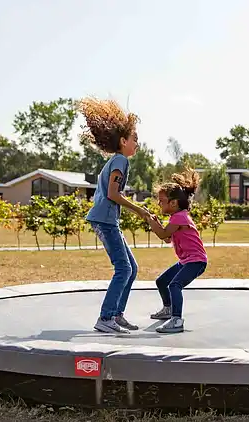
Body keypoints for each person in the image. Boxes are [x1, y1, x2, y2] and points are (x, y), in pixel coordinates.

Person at [79, 97, 151, 334]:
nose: (137, 144)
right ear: (123, 141)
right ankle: (106, 317)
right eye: (135, 139)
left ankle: (117, 314)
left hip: (107, 219)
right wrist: (140, 210)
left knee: (132, 267)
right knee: (123, 268)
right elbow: (113, 193)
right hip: (105, 220)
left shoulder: (116, 160)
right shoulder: (120, 160)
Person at [144, 168, 208, 333]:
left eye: (161, 201)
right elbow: (167, 238)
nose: (158, 204)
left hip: (196, 261)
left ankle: (177, 319)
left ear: (173, 203)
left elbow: (163, 234)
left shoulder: (179, 217)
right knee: (161, 281)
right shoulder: (177, 217)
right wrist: (157, 223)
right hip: (186, 261)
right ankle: (168, 309)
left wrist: (151, 222)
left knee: (175, 285)